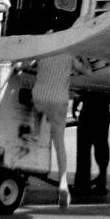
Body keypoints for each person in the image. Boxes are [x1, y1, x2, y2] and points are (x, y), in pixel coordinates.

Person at [32, 53, 74, 210]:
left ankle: (36, 131)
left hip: (40, 97)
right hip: (58, 101)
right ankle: (63, 183)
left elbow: (26, 65)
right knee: (59, 143)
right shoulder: (70, 54)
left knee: (36, 107)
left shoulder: (44, 50)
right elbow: (88, 71)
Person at [73, 92, 110, 197]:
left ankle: (82, 186)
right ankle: (101, 184)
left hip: (87, 112)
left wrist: (75, 107)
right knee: (101, 148)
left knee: (83, 152)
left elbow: (80, 92)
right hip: (103, 112)